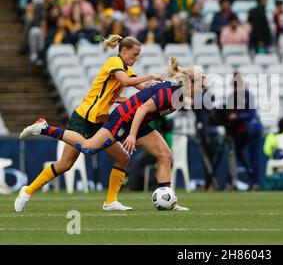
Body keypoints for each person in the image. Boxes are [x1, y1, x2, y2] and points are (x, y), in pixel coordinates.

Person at [17, 57, 205, 212]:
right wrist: (131, 135)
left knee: (164, 155)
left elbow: (145, 97)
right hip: (124, 120)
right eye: (202, 83)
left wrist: (127, 101)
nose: (204, 87)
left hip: (138, 122)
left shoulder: (180, 98)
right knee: (88, 149)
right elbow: (140, 110)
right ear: (191, 83)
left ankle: (164, 200)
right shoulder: (169, 93)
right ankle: (44, 128)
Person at [14, 35, 164, 212]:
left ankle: (110, 202)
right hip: (84, 118)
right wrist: (151, 75)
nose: (135, 58)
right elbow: (126, 82)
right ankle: (29, 186)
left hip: (100, 121)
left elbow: (141, 88)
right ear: (124, 51)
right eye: (134, 54)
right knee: (65, 164)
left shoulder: (125, 67)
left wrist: (161, 86)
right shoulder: (113, 61)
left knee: (123, 157)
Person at [226, 73, 263, 190]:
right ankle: (231, 182)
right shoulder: (231, 97)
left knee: (253, 157)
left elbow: (250, 113)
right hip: (239, 132)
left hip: (251, 130)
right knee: (233, 156)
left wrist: (237, 117)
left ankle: (255, 182)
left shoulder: (248, 95)